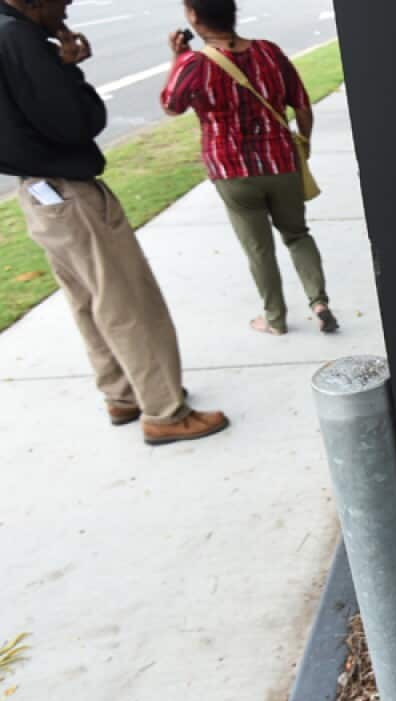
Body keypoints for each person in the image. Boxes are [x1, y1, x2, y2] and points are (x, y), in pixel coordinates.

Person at [0, 0, 229, 445]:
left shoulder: (7, 33)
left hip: (39, 192)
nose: (68, 5)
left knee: (88, 299)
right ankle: (165, 411)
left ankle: (122, 393)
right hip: (71, 192)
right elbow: (77, 123)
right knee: (126, 300)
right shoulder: (21, 39)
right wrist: (69, 69)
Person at [161, 0, 338, 337]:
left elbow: (171, 105)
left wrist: (177, 57)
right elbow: (300, 104)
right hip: (281, 161)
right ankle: (319, 302)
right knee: (298, 234)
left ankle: (275, 319)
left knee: (258, 248)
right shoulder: (269, 52)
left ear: (194, 17)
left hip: (232, 170)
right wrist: (305, 144)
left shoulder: (194, 64)